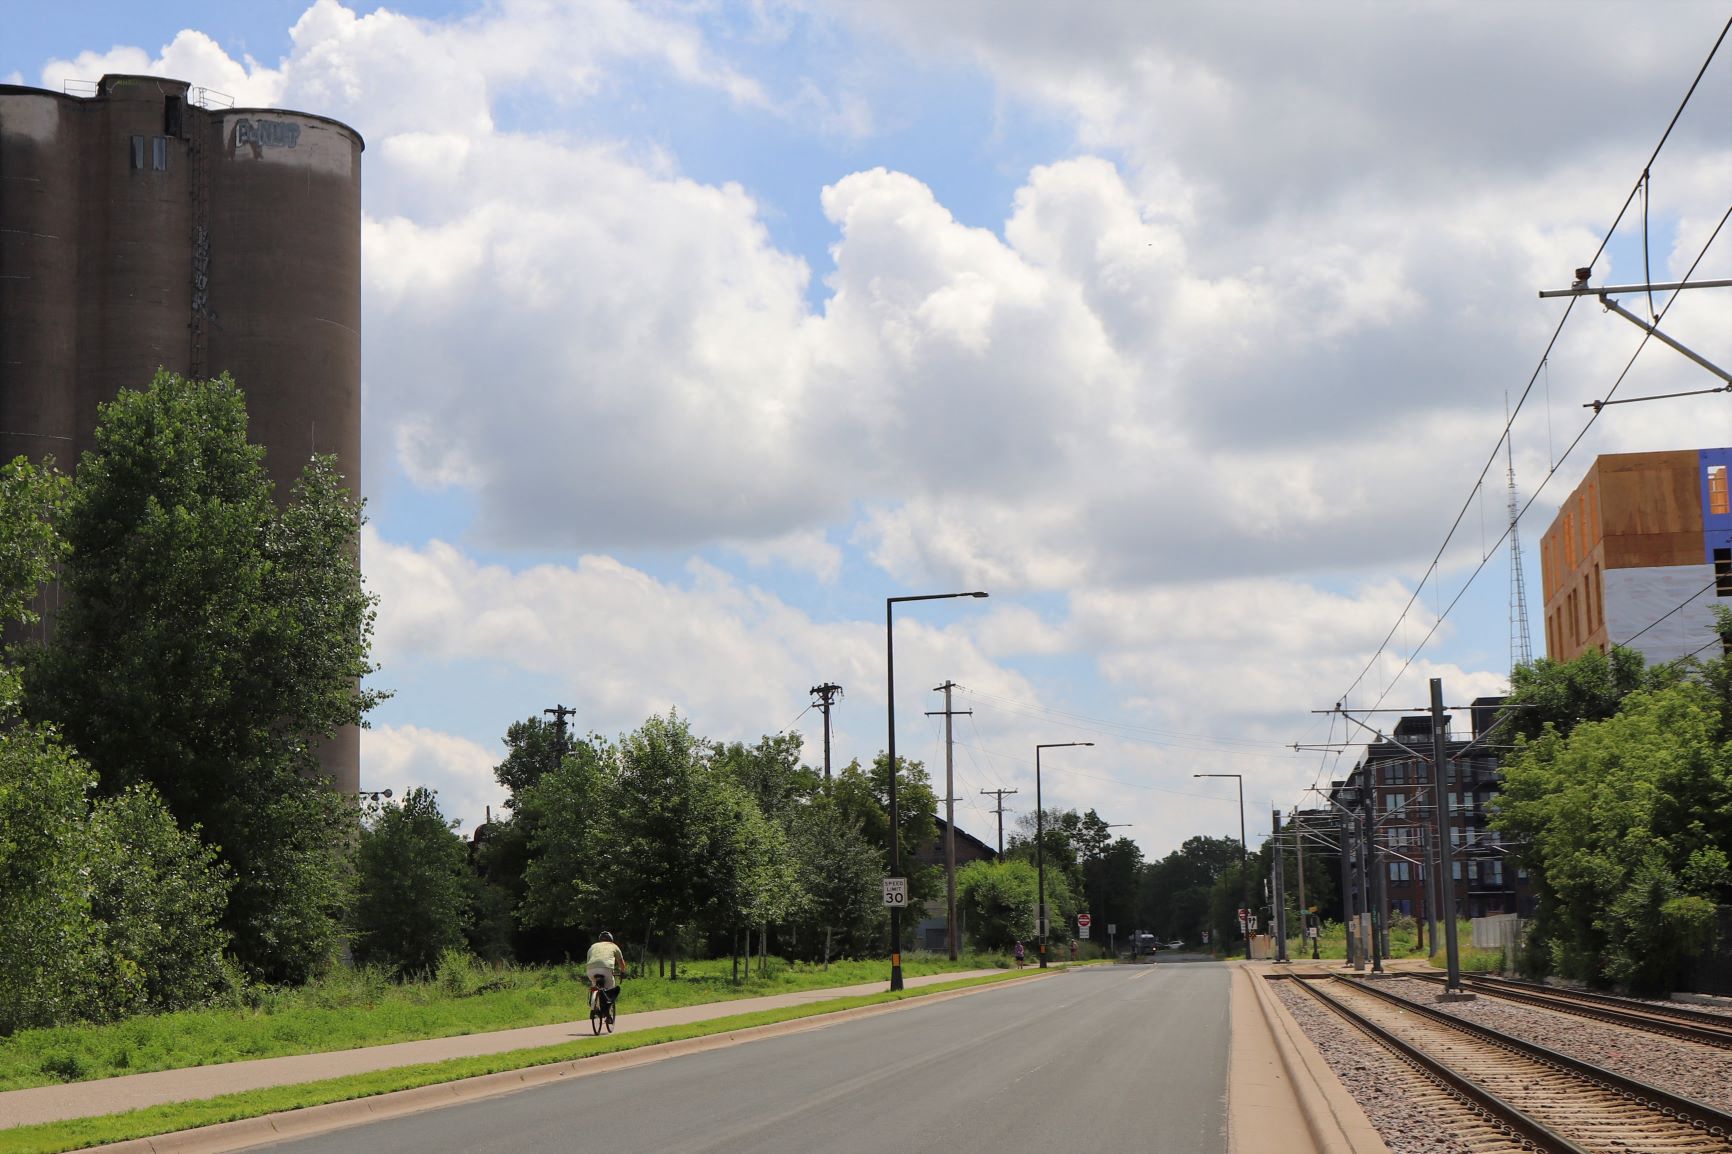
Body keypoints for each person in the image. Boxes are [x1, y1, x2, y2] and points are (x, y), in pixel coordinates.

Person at [585, 931, 628, 1017]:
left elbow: (588, 960)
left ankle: (594, 1006)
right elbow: (621, 962)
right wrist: (623, 972)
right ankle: (608, 1011)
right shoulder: (614, 946)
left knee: (595, 985)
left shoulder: (592, 946)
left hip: (591, 970)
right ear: (611, 940)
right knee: (610, 989)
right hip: (606, 969)